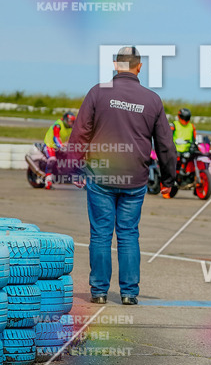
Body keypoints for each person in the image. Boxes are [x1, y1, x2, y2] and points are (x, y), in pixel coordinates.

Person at [68, 46, 176, 304]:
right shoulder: (152, 100)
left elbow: (80, 132)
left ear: (116, 66)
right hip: (135, 179)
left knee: (101, 234)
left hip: (101, 176)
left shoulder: (97, 92)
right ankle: (128, 293)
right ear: (139, 67)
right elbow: (165, 145)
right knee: (128, 234)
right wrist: (168, 181)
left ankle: (99, 292)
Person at [43, 110, 77, 189]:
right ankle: (48, 182)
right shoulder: (58, 125)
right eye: (69, 121)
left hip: (60, 146)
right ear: (65, 120)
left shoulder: (71, 128)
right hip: (50, 145)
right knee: (52, 159)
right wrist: (61, 146)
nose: (71, 123)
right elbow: (56, 138)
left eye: (72, 122)